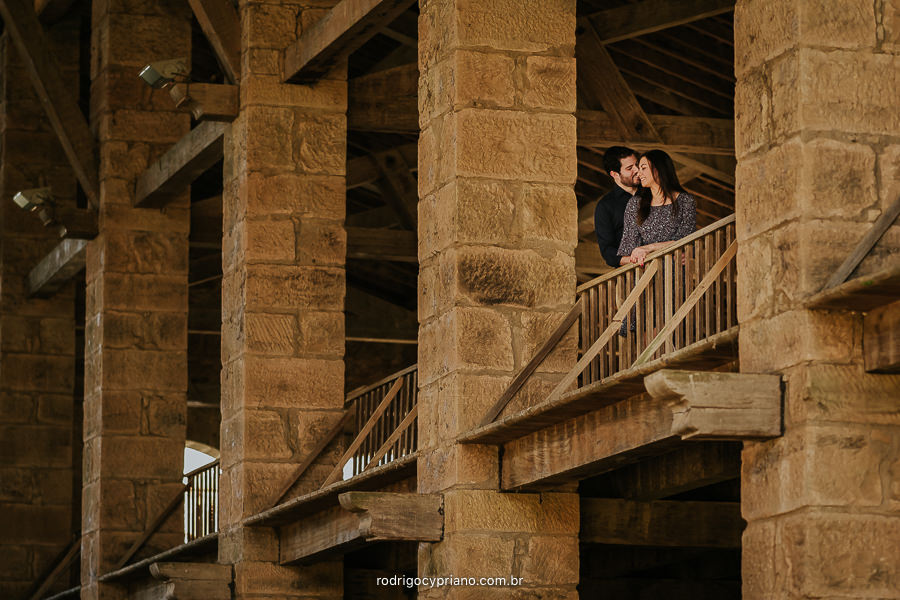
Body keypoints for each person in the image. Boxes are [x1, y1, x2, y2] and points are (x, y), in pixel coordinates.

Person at [617, 149, 696, 266]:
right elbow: (626, 255)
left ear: (658, 169)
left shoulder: (685, 201)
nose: (639, 173)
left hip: (677, 275)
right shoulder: (635, 204)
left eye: (643, 168)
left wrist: (649, 248)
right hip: (645, 277)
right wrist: (641, 255)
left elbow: (685, 241)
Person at [594, 146, 640, 269]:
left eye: (637, 164)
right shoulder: (605, 206)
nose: (637, 170)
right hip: (632, 275)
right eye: (630, 168)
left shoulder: (653, 191)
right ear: (614, 174)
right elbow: (608, 251)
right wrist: (636, 259)